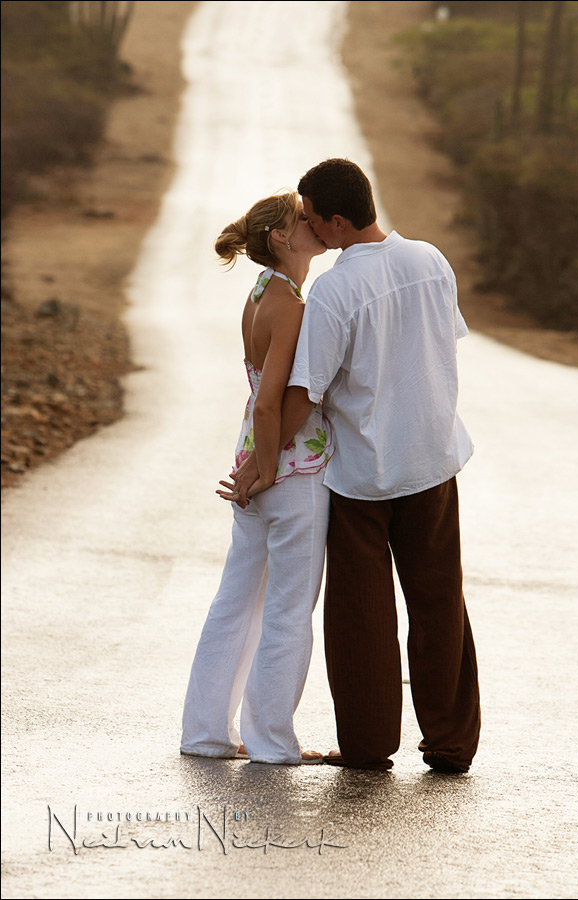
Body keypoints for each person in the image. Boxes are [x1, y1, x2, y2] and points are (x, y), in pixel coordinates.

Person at [233, 159, 481, 773]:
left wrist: (259, 466)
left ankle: (369, 747)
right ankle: (451, 742)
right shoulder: (431, 260)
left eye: (315, 219)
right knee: (438, 601)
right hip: (434, 462)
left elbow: (303, 392)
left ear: (339, 221)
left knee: (361, 616)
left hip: (364, 477)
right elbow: (440, 344)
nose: (312, 230)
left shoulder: (335, 292)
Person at [180, 191, 333, 765]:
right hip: (287, 470)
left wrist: (252, 469)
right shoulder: (291, 302)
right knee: (289, 610)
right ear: (279, 237)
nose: (314, 225)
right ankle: (271, 743)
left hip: (254, 463)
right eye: (303, 220)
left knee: (236, 602)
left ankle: (204, 733)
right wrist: (265, 471)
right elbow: (271, 404)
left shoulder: (260, 295)